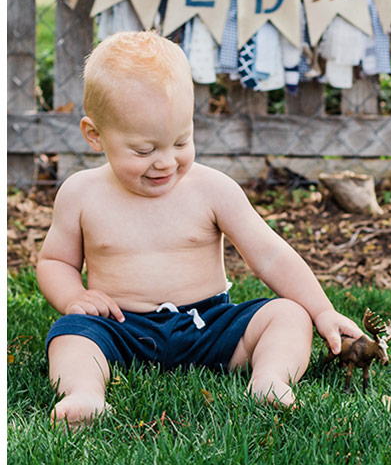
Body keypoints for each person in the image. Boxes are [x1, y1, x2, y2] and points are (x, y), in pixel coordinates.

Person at [36, 31, 360, 427]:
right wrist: (74, 297)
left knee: (288, 315)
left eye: (181, 141)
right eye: (144, 150)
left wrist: (321, 310)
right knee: (70, 334)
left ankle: (269, 380)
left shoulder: (213, 189)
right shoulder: (81, 194)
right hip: (120, 328)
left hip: (210, 327)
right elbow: (55, 261)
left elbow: (271, 256)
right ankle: (85, 393)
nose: (166, 162)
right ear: (95, 136)